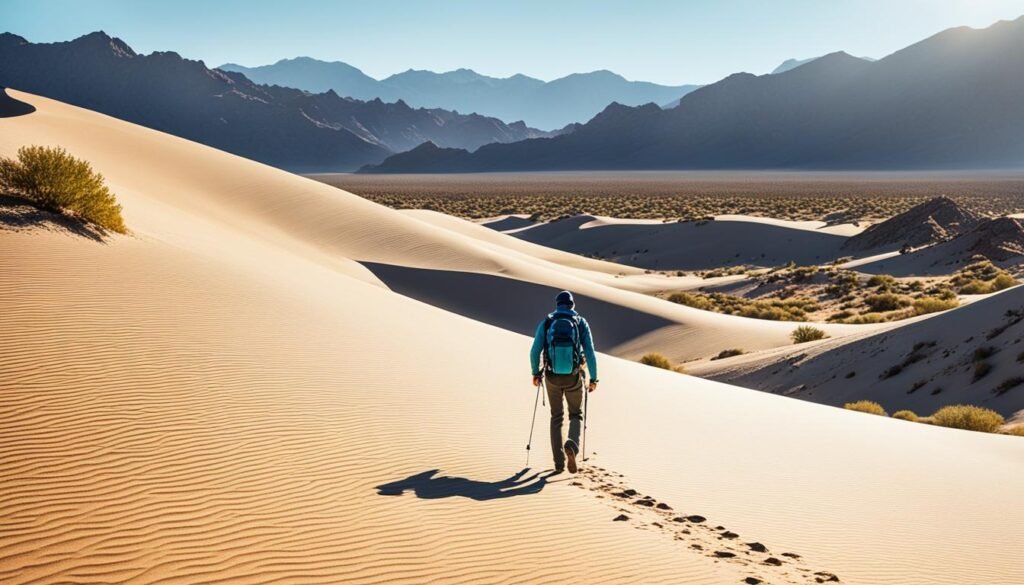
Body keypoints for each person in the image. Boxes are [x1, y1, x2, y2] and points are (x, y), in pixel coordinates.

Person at [529, 290, 598, 473]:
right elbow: (590, 353)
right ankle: (572, 446)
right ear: (572, 305)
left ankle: (558, 464)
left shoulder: (547, 322)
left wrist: (535, 373)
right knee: (576, 414)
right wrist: (594, 378)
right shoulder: (580, 322)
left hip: (551, 376)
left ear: (557, 304)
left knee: (556, 417)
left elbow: (534, 351)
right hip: (574, 376)